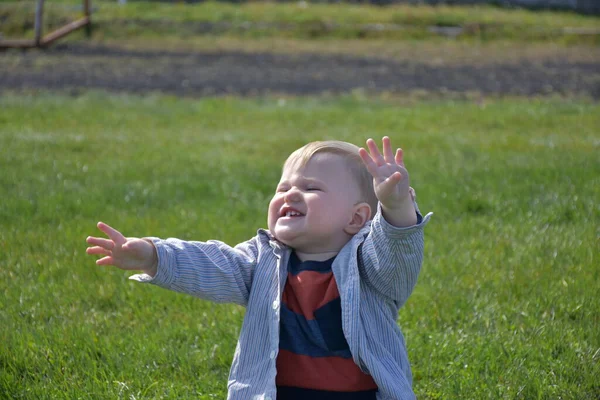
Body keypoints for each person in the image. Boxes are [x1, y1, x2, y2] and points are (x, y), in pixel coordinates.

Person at [86, 137, 432, 400]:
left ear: (356, 218)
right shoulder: (263, 260)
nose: (290, 194)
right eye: (284, 187)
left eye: (311, 188)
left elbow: (397, 253)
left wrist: (397, 205)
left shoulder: (370, 264)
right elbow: (213, 262)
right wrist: (153, 255)